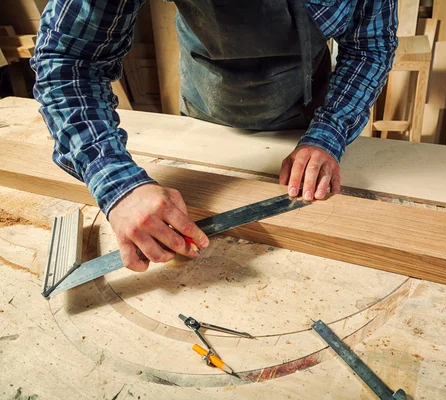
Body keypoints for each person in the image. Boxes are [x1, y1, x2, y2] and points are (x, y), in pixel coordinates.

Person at [31, 0, 398, 272]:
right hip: (207, 113)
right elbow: (70, 59)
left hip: (304, 109)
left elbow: (370, 45)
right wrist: (117, 182)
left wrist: (329, 131)